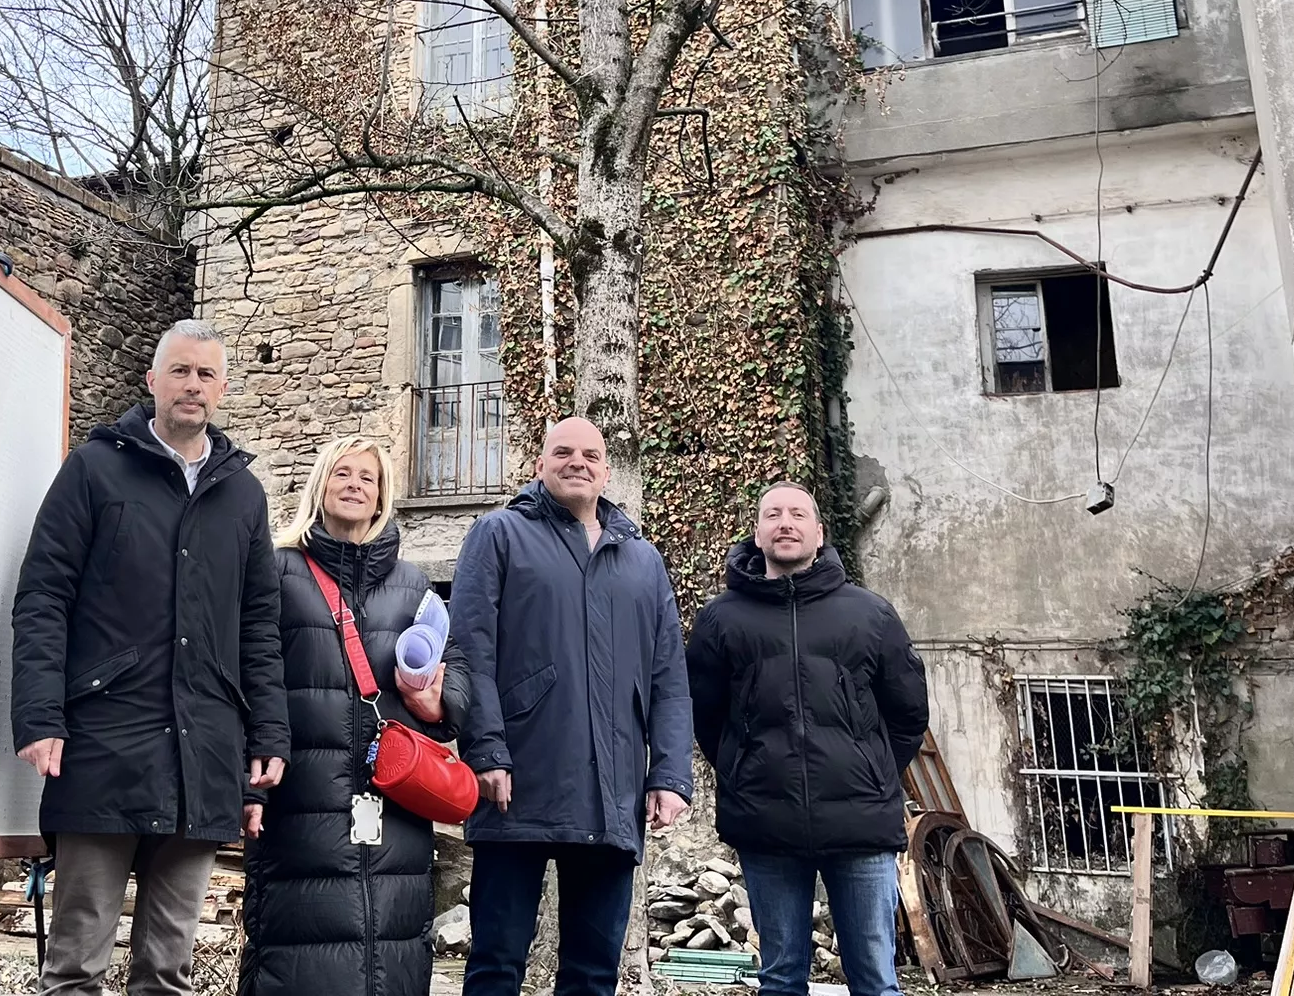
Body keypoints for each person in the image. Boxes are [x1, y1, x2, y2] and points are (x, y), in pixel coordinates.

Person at [12, 319, 291, 996]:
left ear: (222, 389)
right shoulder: (93, 470)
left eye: (204, 375)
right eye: (179, 371)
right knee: (76, 965)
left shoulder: (243, 495)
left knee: (167, 973)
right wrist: (40, 714)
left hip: (205, 761)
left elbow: (259, 626)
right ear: (152, 382)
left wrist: (267, 738)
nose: (191, 386)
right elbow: (43, 596)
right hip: (104, 749)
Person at [450, 417, 695, 996]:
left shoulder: (643, 560)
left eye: (590, 454)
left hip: (612, 794)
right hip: (516, 786)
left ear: (607, 471)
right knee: (496, 963)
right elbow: (468, 652)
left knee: (592, 973)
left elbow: (669, 680)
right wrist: (485, 750)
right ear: (539, 463)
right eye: (562, 452)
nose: (577, 462)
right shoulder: (499, 534)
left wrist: (670, 776)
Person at [239, 436, 471, 996]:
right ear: (320, 485)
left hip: (394, 802)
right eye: (342, 473)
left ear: (382, 495)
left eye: (367, 478)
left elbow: (458, 661)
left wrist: (443, 703)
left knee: (391, 949)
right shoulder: (277, 571)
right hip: (301, 799)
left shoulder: (414, 585)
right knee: (298, 952)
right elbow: (250, 671)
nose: (354, 485)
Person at [683, 484, 929, 996]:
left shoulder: (870, 614)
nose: (785, 522)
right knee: (779, 979)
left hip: (860, 820)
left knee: (876, 982)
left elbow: (908, 714)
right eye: (772, 514)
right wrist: (742, 768)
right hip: (766, 822)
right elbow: (705, 716)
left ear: (819, 533)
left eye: (798, 514)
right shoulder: (721, 619)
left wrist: (871, 770)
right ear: (757, 532)